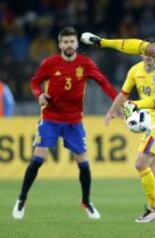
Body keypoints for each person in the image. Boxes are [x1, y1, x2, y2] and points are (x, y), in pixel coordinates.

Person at [12, 26, 118, 220]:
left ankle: (86, 201)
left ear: (77, 43)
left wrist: (118, 101)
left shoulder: (85, 63)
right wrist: (39, 95)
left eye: (72, 41)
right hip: (51, 118)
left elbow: (103, 82)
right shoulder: (50, 63)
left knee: (84, 165)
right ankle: (21, 199)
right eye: (65, 42)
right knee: (38, 159)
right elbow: (34, 82)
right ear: (60, 44)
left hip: (74, 120)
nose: (69, 45)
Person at [105, 55, 155, 223]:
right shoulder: (135, 70)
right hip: (148, 123)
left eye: (153, 53)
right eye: (146, 53)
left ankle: (154, 208)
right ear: (141, 54)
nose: (149, 57)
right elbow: (123, 95)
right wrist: (112, 111)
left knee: (140, 164)